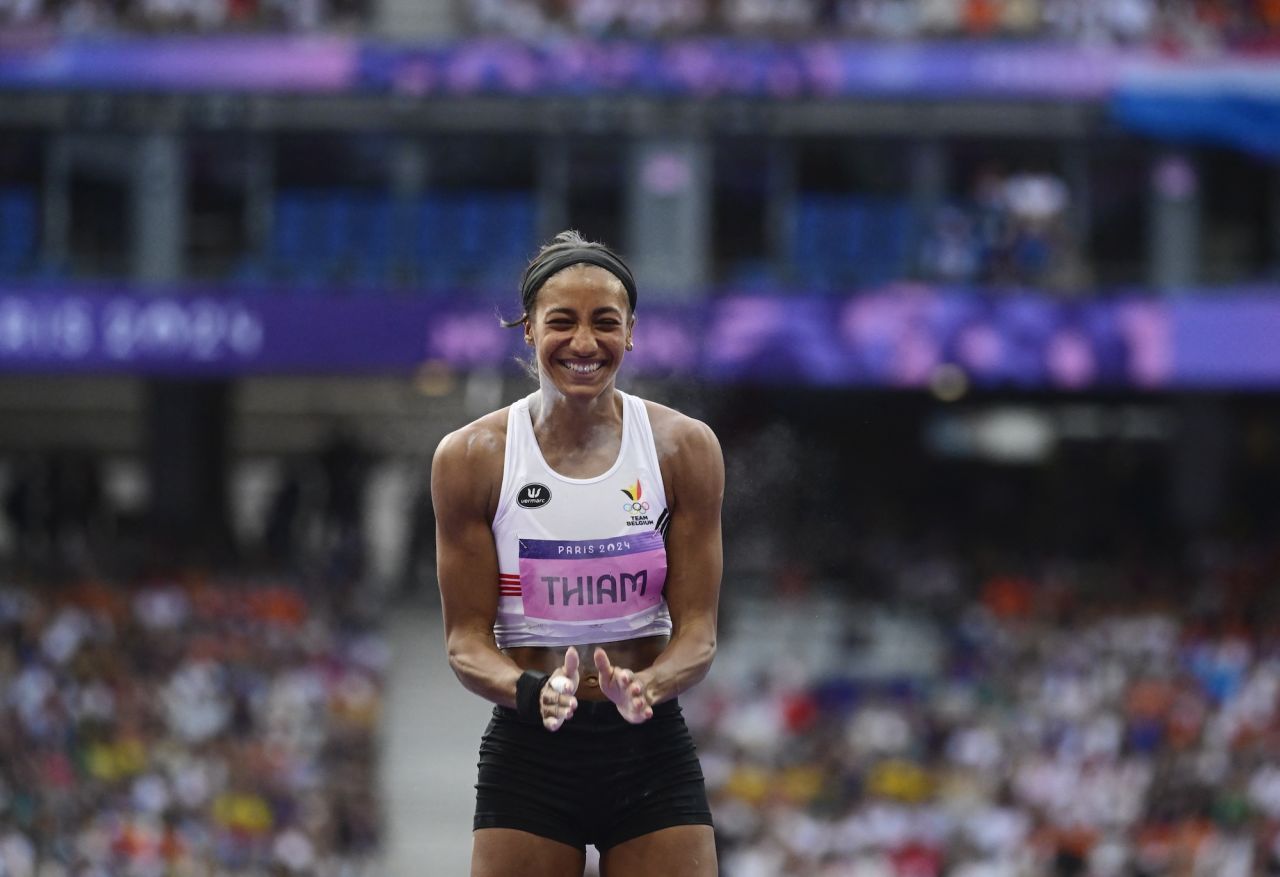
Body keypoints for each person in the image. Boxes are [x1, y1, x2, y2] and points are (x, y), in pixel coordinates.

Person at [431, 230, 724, 876]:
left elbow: (699, 631)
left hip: (648, 746)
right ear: (530, 332)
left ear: (632, 332)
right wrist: (530, 691)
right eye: (562, 322)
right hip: (532, 744)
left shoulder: (683, 449)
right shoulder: (472, 458)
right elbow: (464, 641)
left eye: (605, 323)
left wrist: (650, 683)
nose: (585, 344)